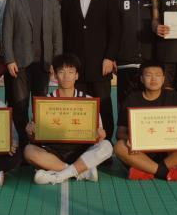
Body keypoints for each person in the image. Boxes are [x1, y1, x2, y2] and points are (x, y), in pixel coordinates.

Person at [23, 53, 115, 184]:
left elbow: (98, 136)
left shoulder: (88, 101)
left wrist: (100, 135)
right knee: (29, 151)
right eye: (61, 72)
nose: (66, 77)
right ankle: (80, 172)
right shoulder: (45, 102)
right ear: (55, 75)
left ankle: (59, 175)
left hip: (81, 151)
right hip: (53, 152)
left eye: (71, 72)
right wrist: (30, 132)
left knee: (107, 146)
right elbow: (35, 138)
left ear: (77, 75)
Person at [2, 0, 63, 139]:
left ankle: (39, 142)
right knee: (20, 105)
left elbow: (57, 35)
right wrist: (9, 59)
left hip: (44, 63)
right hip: (19, 63)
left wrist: (56, 62)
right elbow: (7, 33)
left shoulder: (51, 1)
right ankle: (22, 144)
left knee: (41, 106)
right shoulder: (13, 0)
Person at [113, 61, 177, 181]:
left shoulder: (174, 97)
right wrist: (131, 140)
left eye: (158, 75)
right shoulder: (132, 99)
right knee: (119, 146)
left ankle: (148, 171)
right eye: (148, 75)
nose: (153, 79)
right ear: (141, 79)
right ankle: (166, 173)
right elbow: (120, 133)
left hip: (170, 152)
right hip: (141, 152)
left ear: (163, 78)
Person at [61, 0, 121, 137]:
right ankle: (81, 142)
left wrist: (109, 57)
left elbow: (115, 30)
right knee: (80, 106)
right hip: (76, 63)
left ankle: (106, 142)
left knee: (103, 104)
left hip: (101, 62)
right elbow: (64, 30)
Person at [112, 0, 156, 140]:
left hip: (152, 63)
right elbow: (111, 30)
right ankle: (125, 147)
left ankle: (151, 146)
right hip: (125, 63)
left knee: (151, 112)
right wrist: (111, 56)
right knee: (126, 110)